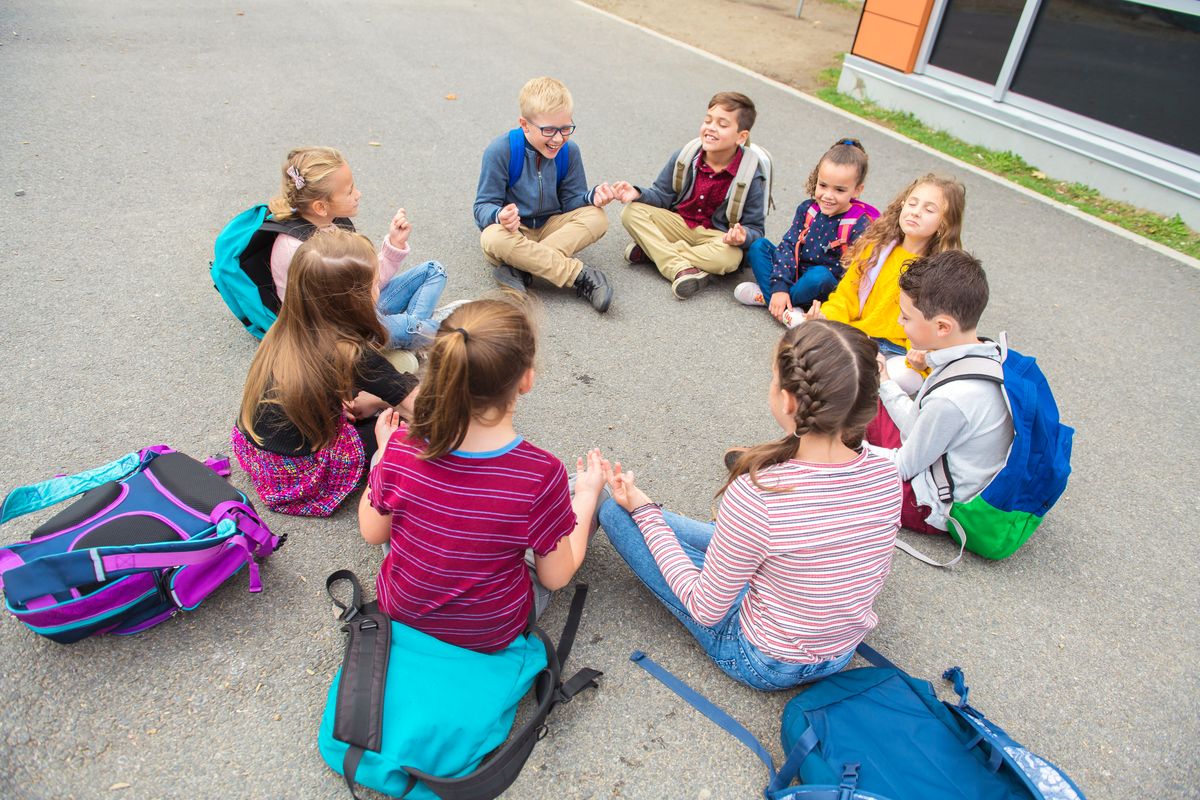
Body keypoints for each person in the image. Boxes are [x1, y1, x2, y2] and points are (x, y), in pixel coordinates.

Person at [598, 321, 902, 690]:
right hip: (840, 651)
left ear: (788, 400)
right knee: (710, 534)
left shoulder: (758, 495)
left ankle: (647, 514)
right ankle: (658, 518)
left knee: (616, 513)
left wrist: (645, 513)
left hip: (767, 661)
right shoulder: (887, 473)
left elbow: (705, 608)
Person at [358, 297, 608, 654]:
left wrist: (383, 455)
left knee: (393, 485)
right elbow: (556, 577)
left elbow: (373, 532)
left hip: (401, 614)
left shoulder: (401, 445)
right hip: (488, 633)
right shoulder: (541, 473)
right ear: (526, 379)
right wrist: (585, 496)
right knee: (591, 495)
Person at [232, 228, 419, 517]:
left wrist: (376, 399)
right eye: (374, 283)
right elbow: (420, 407)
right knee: (403, 433)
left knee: (385, 394)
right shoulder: (350, 352)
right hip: (300, 474)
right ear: (353, 300)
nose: (378, 289)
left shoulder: (285, 326)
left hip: (256, 452)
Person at [864, 251, 1013, 535]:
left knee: (839, 449)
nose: (899, 322)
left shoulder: (952, 398)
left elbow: (903, 467)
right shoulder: (984, 354)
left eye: (906, 317)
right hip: (941, 464)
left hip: (929, 504)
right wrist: (883, 379)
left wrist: (841, 451)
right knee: (868, 396)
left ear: (942, 326)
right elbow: (919, 423)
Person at [268, 146, 448, 350]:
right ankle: (441, 335)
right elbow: (342, 314)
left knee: (434, 270)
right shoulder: (299, 249)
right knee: (408, 325)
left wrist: (394, 245)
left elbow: (366, 283)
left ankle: (413, 335)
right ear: (320, 206)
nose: (358, 194)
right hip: (340, 334)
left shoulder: (329, 224)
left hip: (362, 305)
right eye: (349, 191)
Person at [473, 77, 615, 313]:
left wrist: (591, 197)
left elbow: (571, 201)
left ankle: (521, 268)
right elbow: (482, 207)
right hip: (515, 232)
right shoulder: (500, 151)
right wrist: (499, 215)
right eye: (548, 130)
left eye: (565, 128)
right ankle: (580, 275)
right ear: (524, 124)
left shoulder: (569, 151)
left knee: (597, 217)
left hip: (551, 226)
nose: (558, 138)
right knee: (491, 238)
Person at [612, 92, 767, 300]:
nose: (711, 127)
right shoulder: (685, 156)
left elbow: (756, 230)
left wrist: (742, 236)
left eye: (722, 124)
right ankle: (678, 267)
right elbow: (662, 196)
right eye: (708, 121)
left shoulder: (750, 175)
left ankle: (655, 252)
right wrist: (637, 193)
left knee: (730, 258)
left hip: (716, 237)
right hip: (679, 225)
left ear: (741, 136)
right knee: (631, 212)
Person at [803, 174, 966, 359]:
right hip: (859, 337)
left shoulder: (941, 273)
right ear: (902, 204)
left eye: (929, 210)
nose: (916, 212)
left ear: (944, 223)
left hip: (900, 352)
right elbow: (846, 297)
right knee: (807, 353)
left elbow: (935, 329)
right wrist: (826, 316)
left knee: (894, 373)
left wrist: (923, 357)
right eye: (912, 203)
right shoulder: (875, 249)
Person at [735, 138, 874, 322]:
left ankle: (770, 298)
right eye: (823, 185)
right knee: (758, 246)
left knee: (820, 276)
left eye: (839, 190)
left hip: (819, 286)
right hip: (794, 272)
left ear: (857, 190)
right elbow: (789, 245)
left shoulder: (859, 224)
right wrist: (780, 286)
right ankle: (783, 304)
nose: (828, 196)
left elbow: (854, 274)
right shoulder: (808, 209)